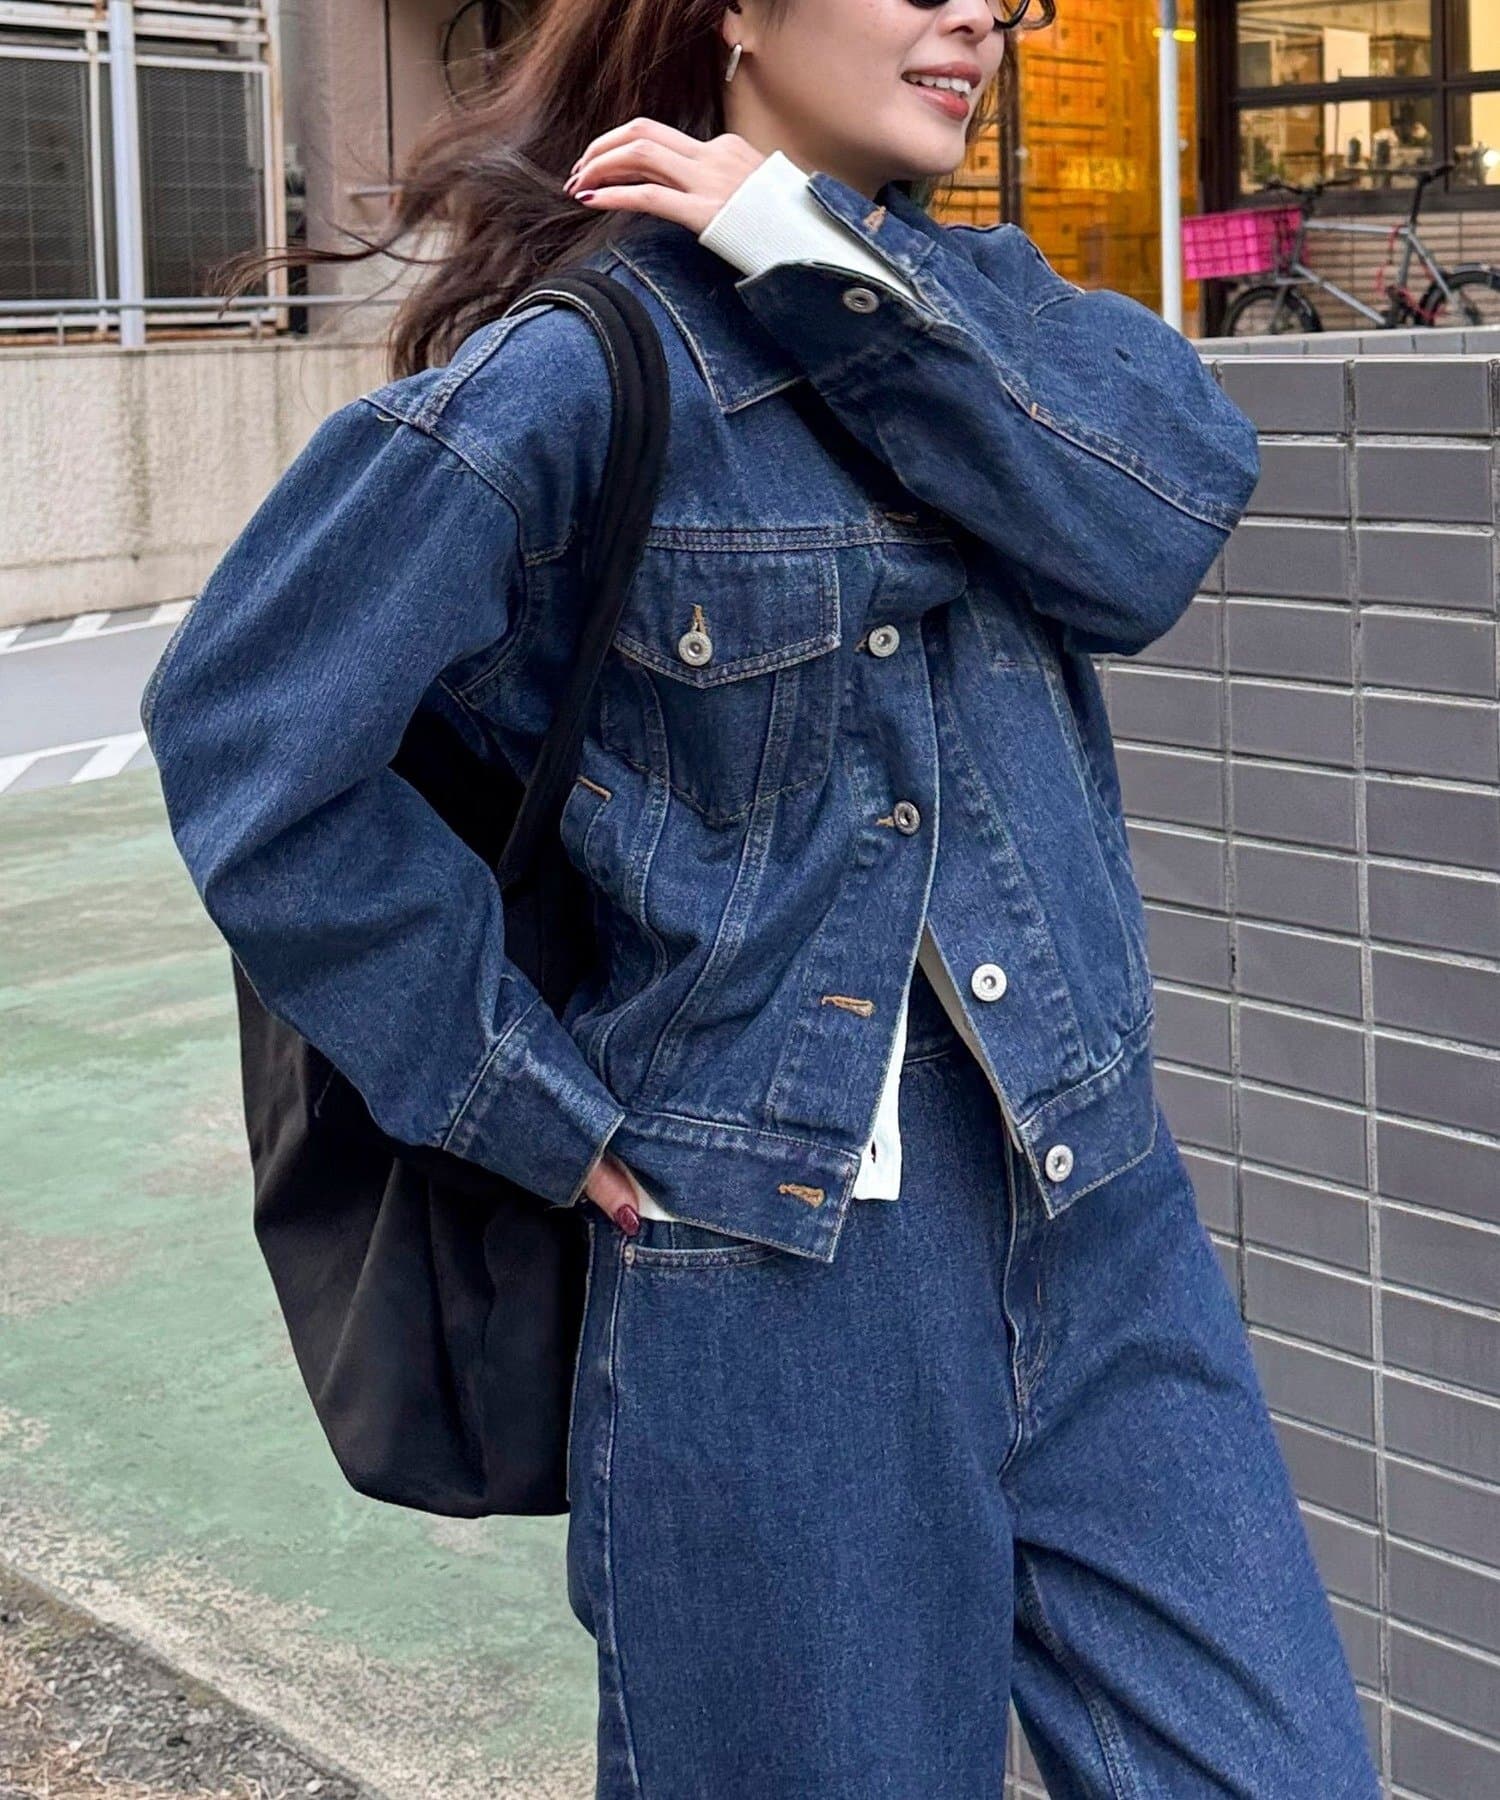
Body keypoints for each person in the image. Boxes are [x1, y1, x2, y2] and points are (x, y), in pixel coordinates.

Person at [142, 0, 1383, 1792]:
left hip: (1095, 1205)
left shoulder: (985, 310)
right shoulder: (585, 370)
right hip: (784, 1275)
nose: (981, 16)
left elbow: (1158, 528)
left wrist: (809, 261)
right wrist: (520, 1096)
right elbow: (249, 731)